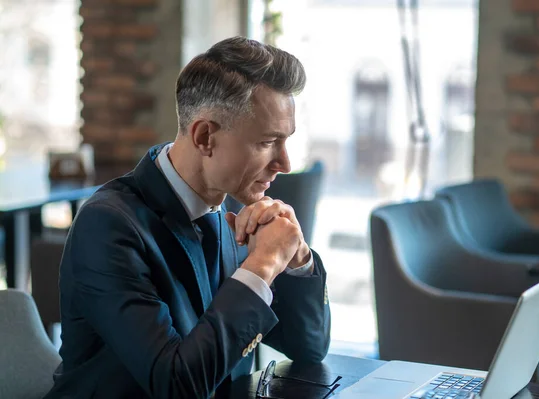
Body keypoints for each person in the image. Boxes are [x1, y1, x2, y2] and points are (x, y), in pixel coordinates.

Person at [44, 36, 331, 399]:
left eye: (285, 140)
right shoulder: (108, 226)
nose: (285, 163)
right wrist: (262, 265)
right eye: (266, 142)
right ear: (205, 137)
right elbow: (176, 384)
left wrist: (297, 257)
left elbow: (310, 348)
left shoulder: (230, 216)